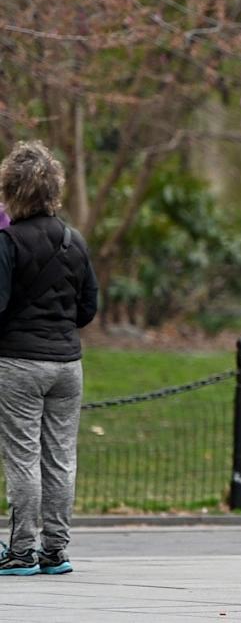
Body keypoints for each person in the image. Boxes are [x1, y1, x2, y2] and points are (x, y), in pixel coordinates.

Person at [0, 141, 99, 575]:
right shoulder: (73, 241)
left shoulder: (8, 242)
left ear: (11, 190)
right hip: (67, 365)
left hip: (19, 364)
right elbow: (88, 307)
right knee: (60, 458)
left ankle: (21, 550)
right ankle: (55, 550)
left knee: (23, 457)